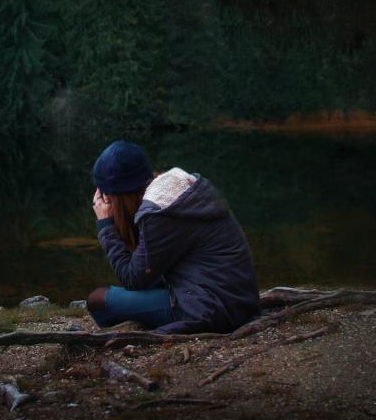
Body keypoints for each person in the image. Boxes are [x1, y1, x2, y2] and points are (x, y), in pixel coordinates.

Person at [86, 140, 260, 334]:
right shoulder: (177, 193)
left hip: (213, 307)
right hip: (235, 299)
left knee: (98, 301)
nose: (104, 202)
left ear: (115, 196)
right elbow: (149, 273)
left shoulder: (159, 213)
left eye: (106, 197)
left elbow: (132, 279)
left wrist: (106, 226)